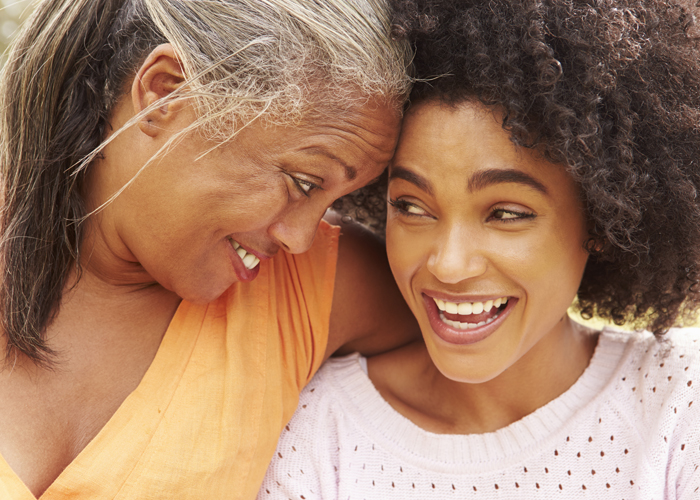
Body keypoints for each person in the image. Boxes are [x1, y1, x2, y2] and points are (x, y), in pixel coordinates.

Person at [259, 0, 700, 498]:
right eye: (411, 206)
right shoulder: (320, 432)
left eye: (505, 214)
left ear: (602, 216)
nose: (448, 264)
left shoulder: (681, 402)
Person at [0, 0, 417, 498]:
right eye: (303, 183)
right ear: (164, 94)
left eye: (338, 200)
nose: (301, 238)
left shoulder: (314, 288)